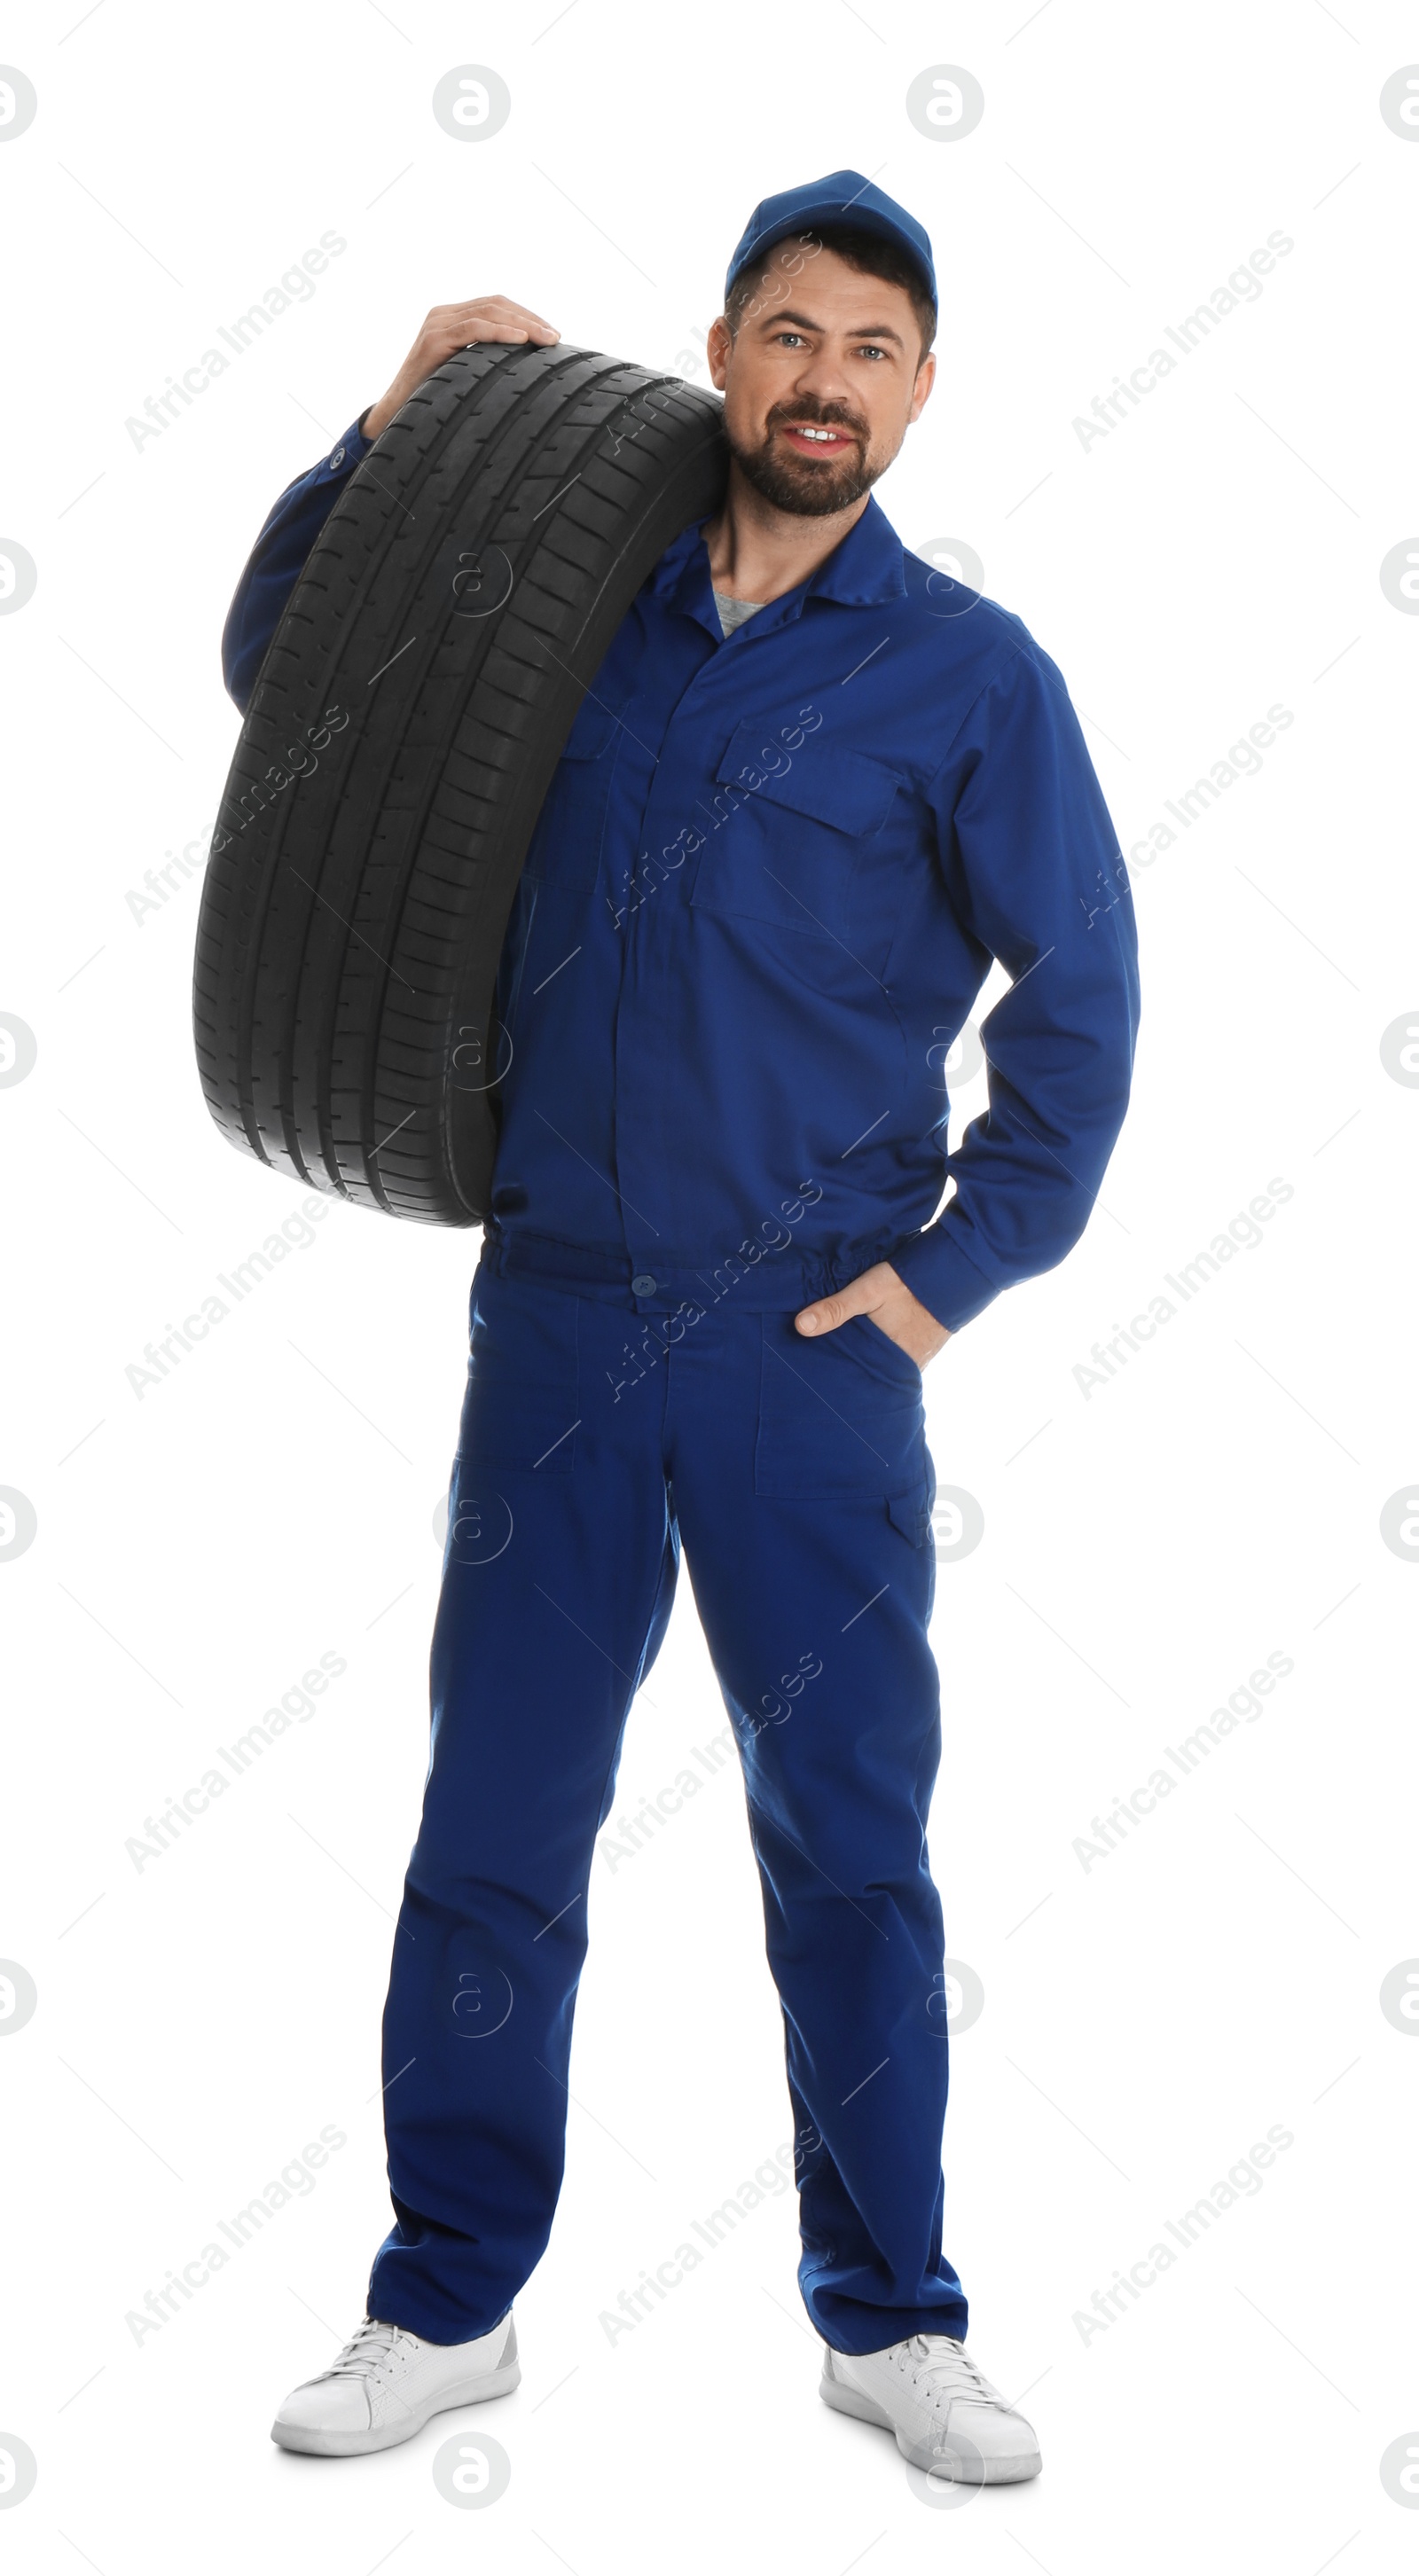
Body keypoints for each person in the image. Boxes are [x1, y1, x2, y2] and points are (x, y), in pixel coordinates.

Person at [222, 172, 1139, 2478]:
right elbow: (284, 675)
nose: (827, 380)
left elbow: (1087, 1005)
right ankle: (446, 2302)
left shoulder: (971, 676)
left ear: (918, 393)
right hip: (554, 1324)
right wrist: (395, 419)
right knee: (498, 1828)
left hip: (807, 1360)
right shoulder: (569, 620)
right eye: (792, 333)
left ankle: (893, 2317)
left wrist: (945, 1279)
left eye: (876, 349)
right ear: (725, 353)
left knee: (847, 1842)